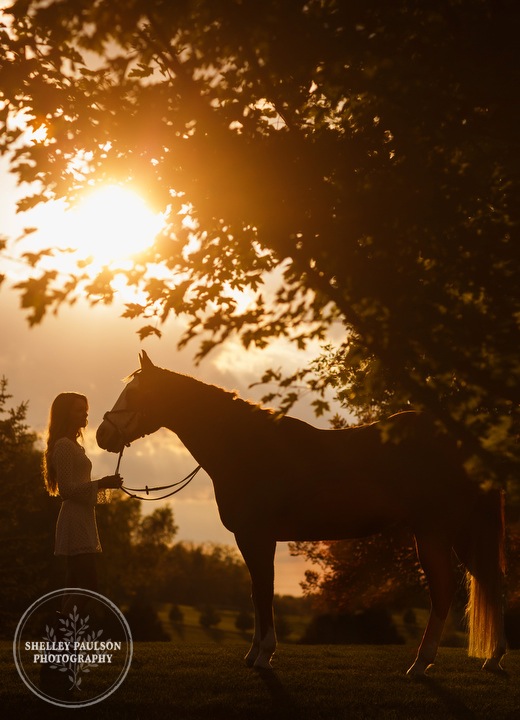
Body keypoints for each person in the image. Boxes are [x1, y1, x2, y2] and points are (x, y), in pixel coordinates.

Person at [43, 392, 122, 593]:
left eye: (85, 411)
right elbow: (67, 490)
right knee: (89, 587)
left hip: (83, 517)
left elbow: (78, 486)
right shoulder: (63, 446)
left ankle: (63, 623)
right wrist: (101, 483)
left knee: (73, 585)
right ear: (66, 414)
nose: (85, 415)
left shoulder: (74, 447)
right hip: (74, 520)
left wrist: (104, 485)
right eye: (79, 410)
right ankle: (63, 622)